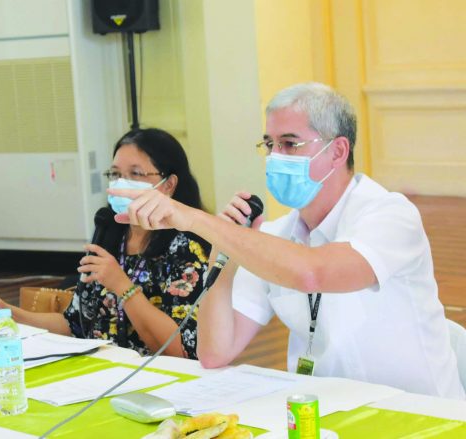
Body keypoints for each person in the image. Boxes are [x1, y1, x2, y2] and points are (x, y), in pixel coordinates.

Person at [108, 83, 465, 399]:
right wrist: (223, 250)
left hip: (417, 414)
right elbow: (216, 353)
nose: (275, 157)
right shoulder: (275, 236)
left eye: (290, 144)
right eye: (269, 144)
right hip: (324, 413)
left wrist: (194, 219)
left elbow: (312, 273)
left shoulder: (390, 215)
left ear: (338, 151)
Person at [0, 128, 210, 359]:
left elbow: (179, 350)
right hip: (100, 371)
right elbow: (75, 324)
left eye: (135, 174)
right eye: (115, 174)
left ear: (168, 184)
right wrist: (7, 313)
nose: (121, 183)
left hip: (158, 378)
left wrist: (122, 286)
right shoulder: (110, 233)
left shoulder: (187, 246)